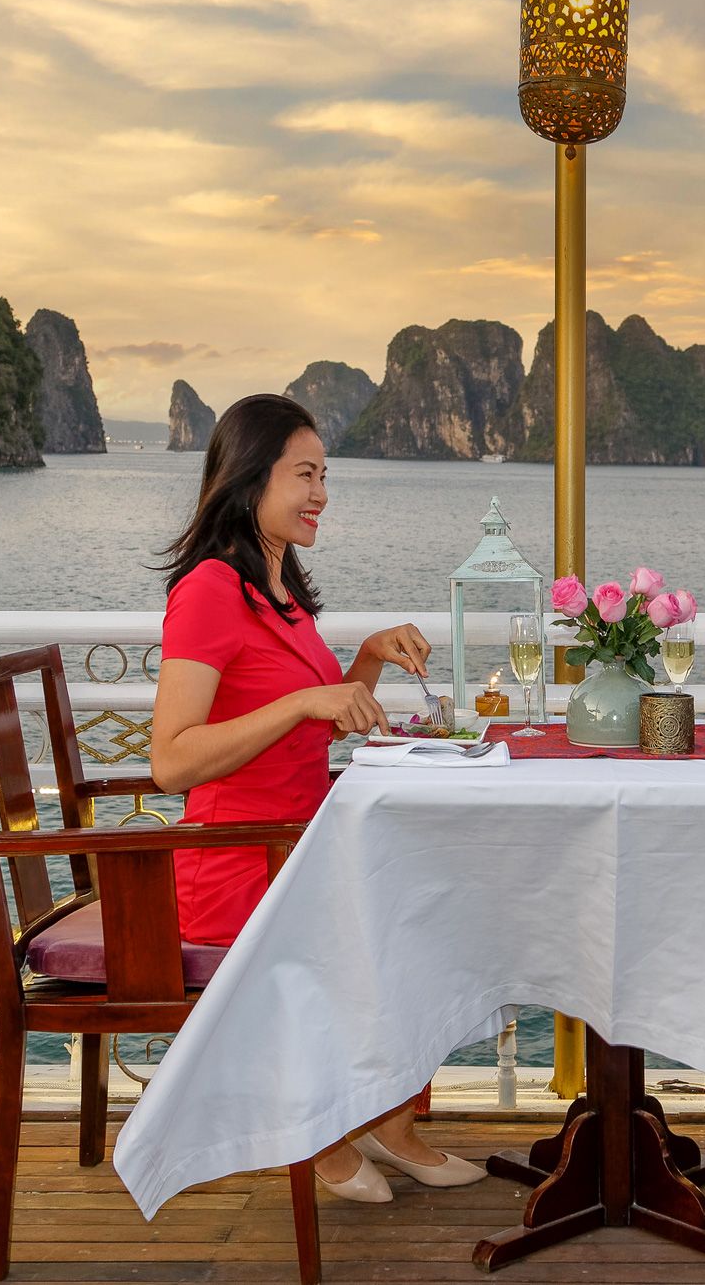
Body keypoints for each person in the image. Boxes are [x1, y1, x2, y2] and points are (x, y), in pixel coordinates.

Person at [149, 394, 485, 1204]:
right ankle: (324, 1130)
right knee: (402, 921)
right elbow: (170, 761)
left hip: (298, 845)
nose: (321, 493)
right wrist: (306, 703)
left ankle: (387, 1122)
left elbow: (319, 716)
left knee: (431, 907)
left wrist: (363, 661)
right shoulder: (209, 590)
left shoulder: (278, 585)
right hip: (240, 862)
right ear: (250, 476)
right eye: (305, 475)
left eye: (324, 476)